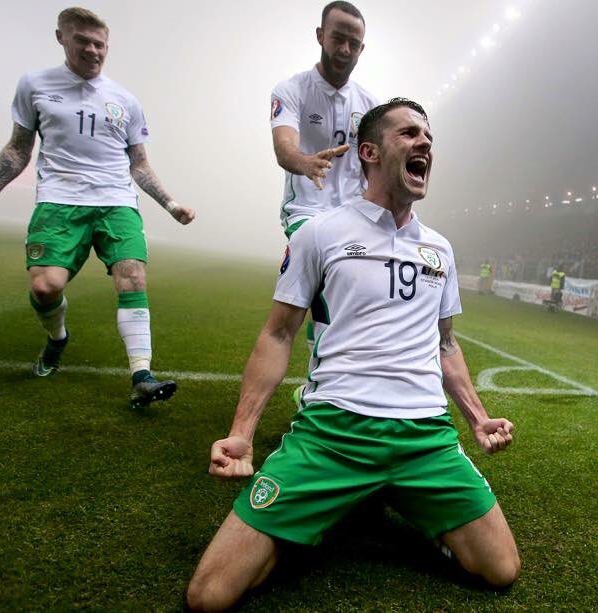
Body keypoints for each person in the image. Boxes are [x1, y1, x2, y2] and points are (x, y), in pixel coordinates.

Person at [187, 99, 520, 611]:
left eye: (428, 137)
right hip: (333, 434)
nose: (424, 144)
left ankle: (389, 493)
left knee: (501, 570)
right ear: (369, 152)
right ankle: (333, 509)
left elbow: (446, 342)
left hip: (424, 438)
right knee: (210, 595)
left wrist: (476, 418)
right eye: (408, 134)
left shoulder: (440, 249)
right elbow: (278, 335)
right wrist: (242, 432)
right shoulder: (320, 233)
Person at [0, 7, 195, 408]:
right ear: (61, 38)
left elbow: (139, 163)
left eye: (99, 43)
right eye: (82, 40)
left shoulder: (125, 100)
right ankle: (57, 339)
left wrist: (171, 204)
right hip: (59, 200)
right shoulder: (35, 85)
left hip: (116, 201)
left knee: (132, 277)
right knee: (45, 287)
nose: (92, 49)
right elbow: (18, 149)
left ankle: (142, 375)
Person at [269, 1, 380, 349]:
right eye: (337, 38)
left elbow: (375, 165)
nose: (344, 49)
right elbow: (284, 147)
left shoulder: (370, 105)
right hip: (307, 210)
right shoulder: (292, 90)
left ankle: (322, 381)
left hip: (353, 215)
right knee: (331, 289)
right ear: (320, 36)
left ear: (362, 48)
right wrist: (305, 163)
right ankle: (322, 382)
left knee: (354, 302)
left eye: (353, 43)